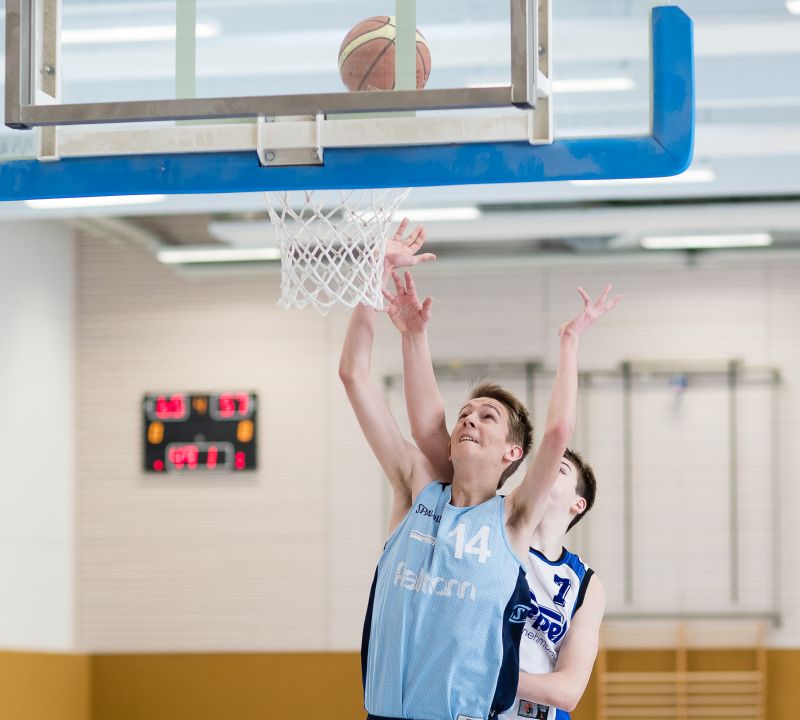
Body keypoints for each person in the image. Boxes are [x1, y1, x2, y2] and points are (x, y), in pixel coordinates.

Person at [339, 220, 617, 720]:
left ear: (512, 454)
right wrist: (373, 272)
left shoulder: (512, 522)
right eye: (465, 413)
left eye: (487, 416)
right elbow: (352, 375)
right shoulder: (414, 488)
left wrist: (570, 343)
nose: (470, 418)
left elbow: (556, 434)